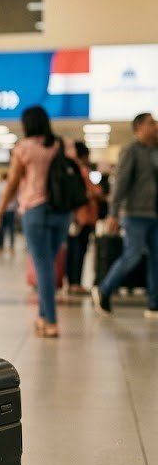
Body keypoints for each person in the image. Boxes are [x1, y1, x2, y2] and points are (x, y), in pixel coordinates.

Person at [0, 106, 74, 338]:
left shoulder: (24, 148)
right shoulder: (64, 144)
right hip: (62, 212)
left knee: (43, 266)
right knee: (49, 263)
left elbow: (13, 183)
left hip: (35, 210)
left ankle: (52, 321)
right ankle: (42, 316)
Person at [91, 112, 158, 319]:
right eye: (151, 123)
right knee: (133, 255)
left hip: (155, 214)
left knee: (157, 259)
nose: (156, 126)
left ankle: (154, 304)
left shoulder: (155, 150)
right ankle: (104, 289)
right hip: (134, 214)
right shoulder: (130, 150)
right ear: (139, 127)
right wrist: (113, 214)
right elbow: (120, 184)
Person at [66, 141, 101, 295]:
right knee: (78, 251)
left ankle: (74, 282)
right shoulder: (80, 171)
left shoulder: (74, 171)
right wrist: (97, 193)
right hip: (82, 217)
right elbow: (89, 191)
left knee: (76, 250)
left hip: (80, 217)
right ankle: (75, 283)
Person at [0, 173, 18, 250]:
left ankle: (0, 246)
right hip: (11, 210)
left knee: (1, 228)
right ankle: (12, 246)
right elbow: (17, 198)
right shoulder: (13, 186)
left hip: (1, 209)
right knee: (11, 228)